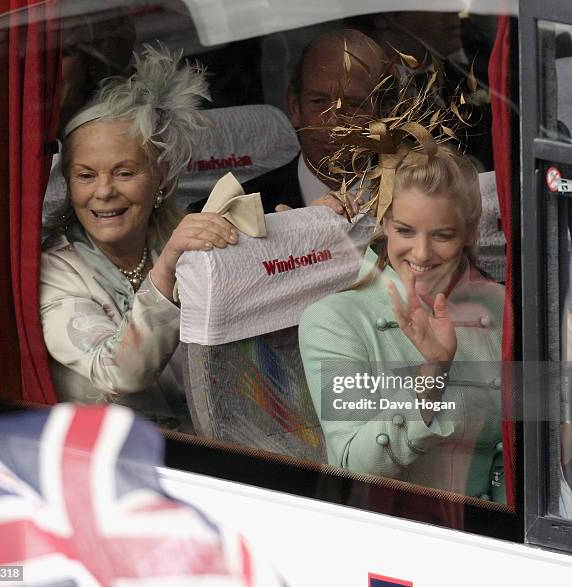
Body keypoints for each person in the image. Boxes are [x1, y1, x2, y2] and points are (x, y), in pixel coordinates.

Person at [299, 136, 506, 501]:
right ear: (385, 223)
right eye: (406, 231)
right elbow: (352, 467)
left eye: (442, 235)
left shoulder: (499, 305)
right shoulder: (334, 320)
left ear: (471, 232)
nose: (422, 253)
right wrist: (432, 374)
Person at [40, 46, 236, 424]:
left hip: (213, 454)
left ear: (160, 177)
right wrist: (165, 273)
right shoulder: (54, 270)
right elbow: (118, 371)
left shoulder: (181, 243)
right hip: (111, 463)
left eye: (125, 172)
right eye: (86, 175)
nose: (104, 191)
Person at [187, 29, 386, 215]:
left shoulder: (412, 196)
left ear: (384, 114)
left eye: (353, 106)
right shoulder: (227, 215)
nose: (333, 121)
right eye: (318, 102)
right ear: (294, 107)